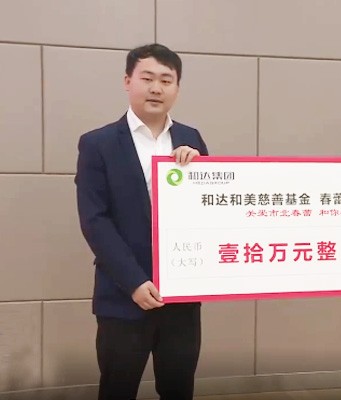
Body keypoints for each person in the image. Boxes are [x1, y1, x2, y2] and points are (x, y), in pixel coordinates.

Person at [75, 43, 208, 400]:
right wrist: (134, 281)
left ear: (177, 88)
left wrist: (201, 170)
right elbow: (95, 220)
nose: (156, 88)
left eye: (166, 80)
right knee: (117, 389)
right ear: (127, 81)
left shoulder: (191, 139)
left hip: (181, 298)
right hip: (123, 296)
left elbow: (208, 210)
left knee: (179, 389)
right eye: (147, 78)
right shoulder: (98, 143)